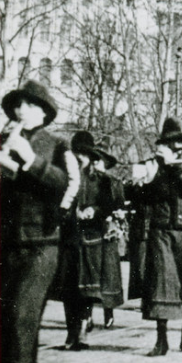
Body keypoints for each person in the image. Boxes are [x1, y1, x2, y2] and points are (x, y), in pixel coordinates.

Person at [0, 80, 72, 363]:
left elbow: (62, 183)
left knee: (23, 309)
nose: (20, 110)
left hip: (42, 241)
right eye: (17, 105)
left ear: (42, 112)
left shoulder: (56, 144)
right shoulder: (0, 140)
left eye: (28, 105)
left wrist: (30, 159)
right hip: (6, 239)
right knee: (11, 311)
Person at [128, 117, 182, 357]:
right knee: (160, 282)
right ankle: (161, 340)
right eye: (172, 142)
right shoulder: (153, 165)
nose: (177, 146)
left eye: (180, 142)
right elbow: (144, 198)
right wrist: (143, 182)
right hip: (161, 229)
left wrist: (175, 165)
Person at [53, 131, 124, 350]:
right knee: (69, 289)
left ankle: (82, 330)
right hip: (68, 237)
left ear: (91, 156)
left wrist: (95, 210)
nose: (79, 157)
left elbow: (114, 202)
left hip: (91, 238)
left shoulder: (101, 180)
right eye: (76, 153)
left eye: (83, 153)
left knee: (86, 290)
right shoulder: (64, 177)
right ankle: (70, 332)